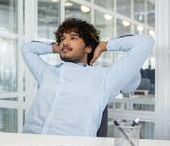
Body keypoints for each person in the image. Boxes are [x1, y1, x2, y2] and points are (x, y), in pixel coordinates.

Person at [21, 18, 154, 136]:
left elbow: (145, 42)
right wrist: (57, 47)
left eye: (73, 38)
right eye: (62, 39)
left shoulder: (104, 78)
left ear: (88, 48)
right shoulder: (47, 73)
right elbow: (27, 48)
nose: (65, 42)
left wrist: (104, 46)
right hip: (30, 142)